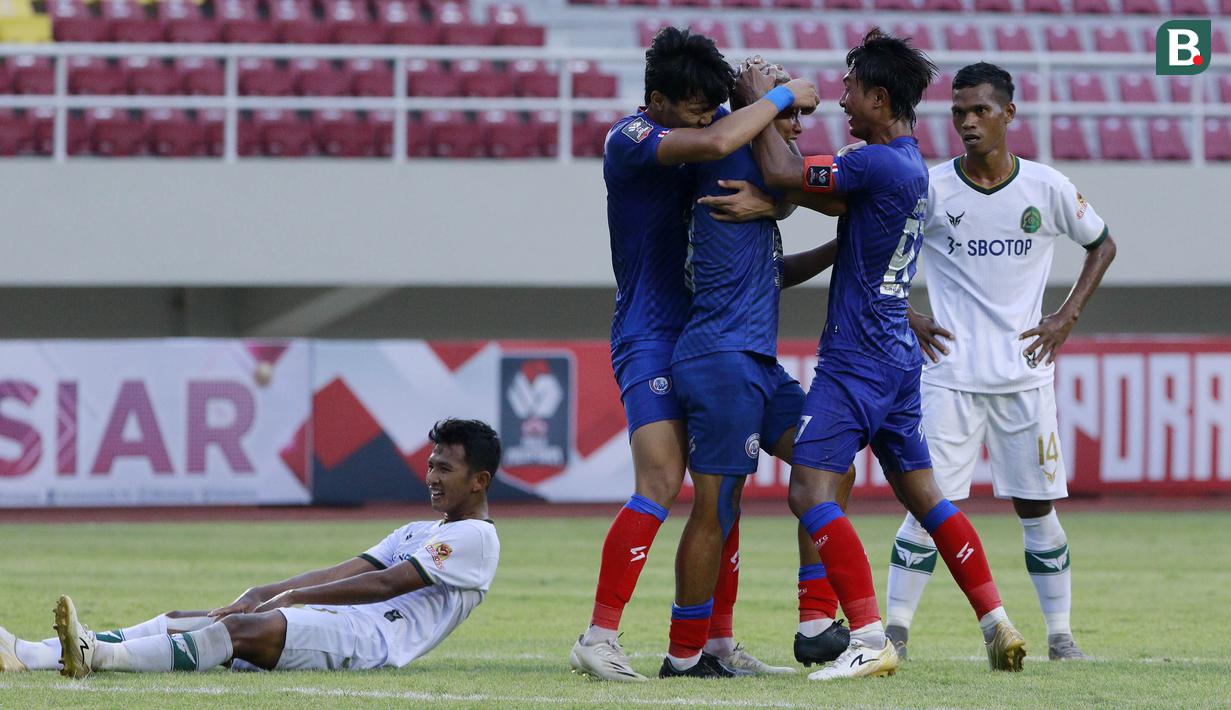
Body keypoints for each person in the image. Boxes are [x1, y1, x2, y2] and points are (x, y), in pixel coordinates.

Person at [746, 29, 1026, 681]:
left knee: (809, 490)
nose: (840, 99)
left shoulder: (874, 164)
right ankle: (995, 621)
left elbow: (784, 175)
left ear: (878, 96)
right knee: (927, 498)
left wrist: (767, 99)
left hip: (856, 361)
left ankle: (867, 637)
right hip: (898, 358)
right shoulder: (911, 169)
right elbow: (831, 213)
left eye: (849, 89)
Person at [569, 27, 818, 682]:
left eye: (714, 106)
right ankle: (598, 635)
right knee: (660, 480)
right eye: (693, 109)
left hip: (708, 331)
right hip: (649, 334)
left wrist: (773, 198)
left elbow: (770, 181)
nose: (709, 121)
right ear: (654, 100)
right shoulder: (630, 140)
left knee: (721, 487)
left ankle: (717, 643)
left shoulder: (706, 140)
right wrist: (780, 93)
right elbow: (716, 140)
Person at [882, 62, 1116, 663]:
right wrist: (908, 312)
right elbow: (877, 257)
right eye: (959, 111)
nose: (968, 122)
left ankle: (1061, 636)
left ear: (1008, 114)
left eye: (981, 110)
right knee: (927, 503)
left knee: (1037, 510)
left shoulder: (1047, 188)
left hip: (1024, 376)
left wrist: (1066, 316)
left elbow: (1102, 244)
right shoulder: (931, 187)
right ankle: (897, 633)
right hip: (949, 378)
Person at [0, 419, 501, 677]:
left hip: (370, 643)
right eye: (431, 464)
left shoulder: (477, 538)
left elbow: (387, 583)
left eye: (445, 469)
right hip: (341, 624)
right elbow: (343, 570)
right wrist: (262, 590)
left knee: (238, 631)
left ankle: (97, 658)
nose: (431, 477)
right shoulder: (418, 530)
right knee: (193, 617)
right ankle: (29, 654)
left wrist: (294, 601)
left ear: (479, 480)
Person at [660, 66, 853, 678]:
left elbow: (774, 263)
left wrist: (830, 245)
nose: (797, 128)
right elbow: (798, 183)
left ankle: (815, 619)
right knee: (716, 508)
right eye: (790, 117)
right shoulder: (731, 147)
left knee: (828, 459)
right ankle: (684, 655)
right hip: (720, 360)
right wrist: (781, 191)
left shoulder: (755, 162)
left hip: (754, 365)